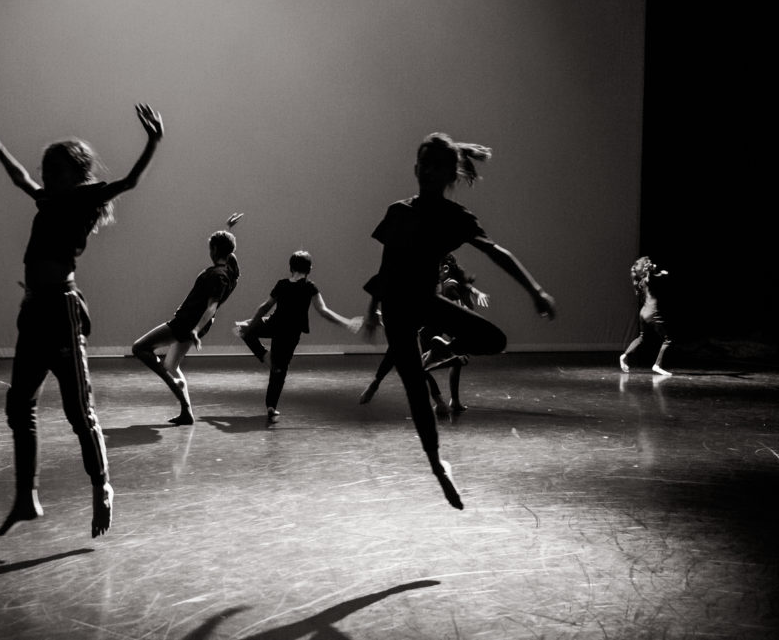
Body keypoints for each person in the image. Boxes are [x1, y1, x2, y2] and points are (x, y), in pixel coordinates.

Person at [0, 102, 164, 539]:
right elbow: (21, 180)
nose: (46, 177)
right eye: (46, 170)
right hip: (33, 311)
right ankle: (26, 498)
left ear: (76, 174)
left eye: (56, 170)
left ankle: (102, 486)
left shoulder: (85, 197)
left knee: (78, 412)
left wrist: (153, 141)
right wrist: (0, 151)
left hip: (61, 312)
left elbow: (129, 182)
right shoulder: (47, 198)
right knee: (18, 405)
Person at [363, 132, 556, 510]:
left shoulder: (455, 217)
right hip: (398, 308)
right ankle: (437, 465)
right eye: (425, 164)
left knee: (494, 339)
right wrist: (372, 309)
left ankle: (444, 349)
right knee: (416, 392)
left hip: (426, 301)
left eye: (438, 167)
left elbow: (495, 252)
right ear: (416, 168)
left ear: (450, 175)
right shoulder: (398, 212)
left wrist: (535, 291)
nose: (429, 171)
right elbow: (386, 266)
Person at [132, 214, 242, 426]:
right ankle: (186, 412)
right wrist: (229, 229)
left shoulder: (218, 276)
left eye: (211, 248)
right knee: (171, 365)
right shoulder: (230, 272)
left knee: (140, 348)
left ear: (214, 250)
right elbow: (229, 253)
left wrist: (195, 329)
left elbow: (211, 306)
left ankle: (174, 386)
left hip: (186, 323)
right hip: (193, 324)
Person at [233, 250, 362, 421]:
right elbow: (323, 311)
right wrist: (346, 323)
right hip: (290, 333)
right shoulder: (309, 287)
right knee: (279, 369)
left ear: (291, 267)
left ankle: (268, 377)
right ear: (309, 269)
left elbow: (265, 307)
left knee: (244, 330)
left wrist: (250, 326)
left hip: (274, 324)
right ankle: (271, 405)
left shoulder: (282, 284)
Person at [359, 254, 488, 415]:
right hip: (425, 325)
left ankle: (441, 389)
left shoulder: (445, 285)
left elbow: (455, 303)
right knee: (416, 363)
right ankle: (444, 399)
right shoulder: (442, 282)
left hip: (426, 326)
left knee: (416, 364)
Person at [619, 256, 673, 376]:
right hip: (653, 312)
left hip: (643, 313)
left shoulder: (642, 281)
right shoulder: (649, 279)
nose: (651, 263)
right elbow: (657, 276)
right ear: (645, 267)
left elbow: (656, 276)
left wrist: (656, 271)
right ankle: (657, 365)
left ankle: (624, 355)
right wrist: (660, 272)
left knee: (642, 337)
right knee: (667, 340)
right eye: (649, 263)